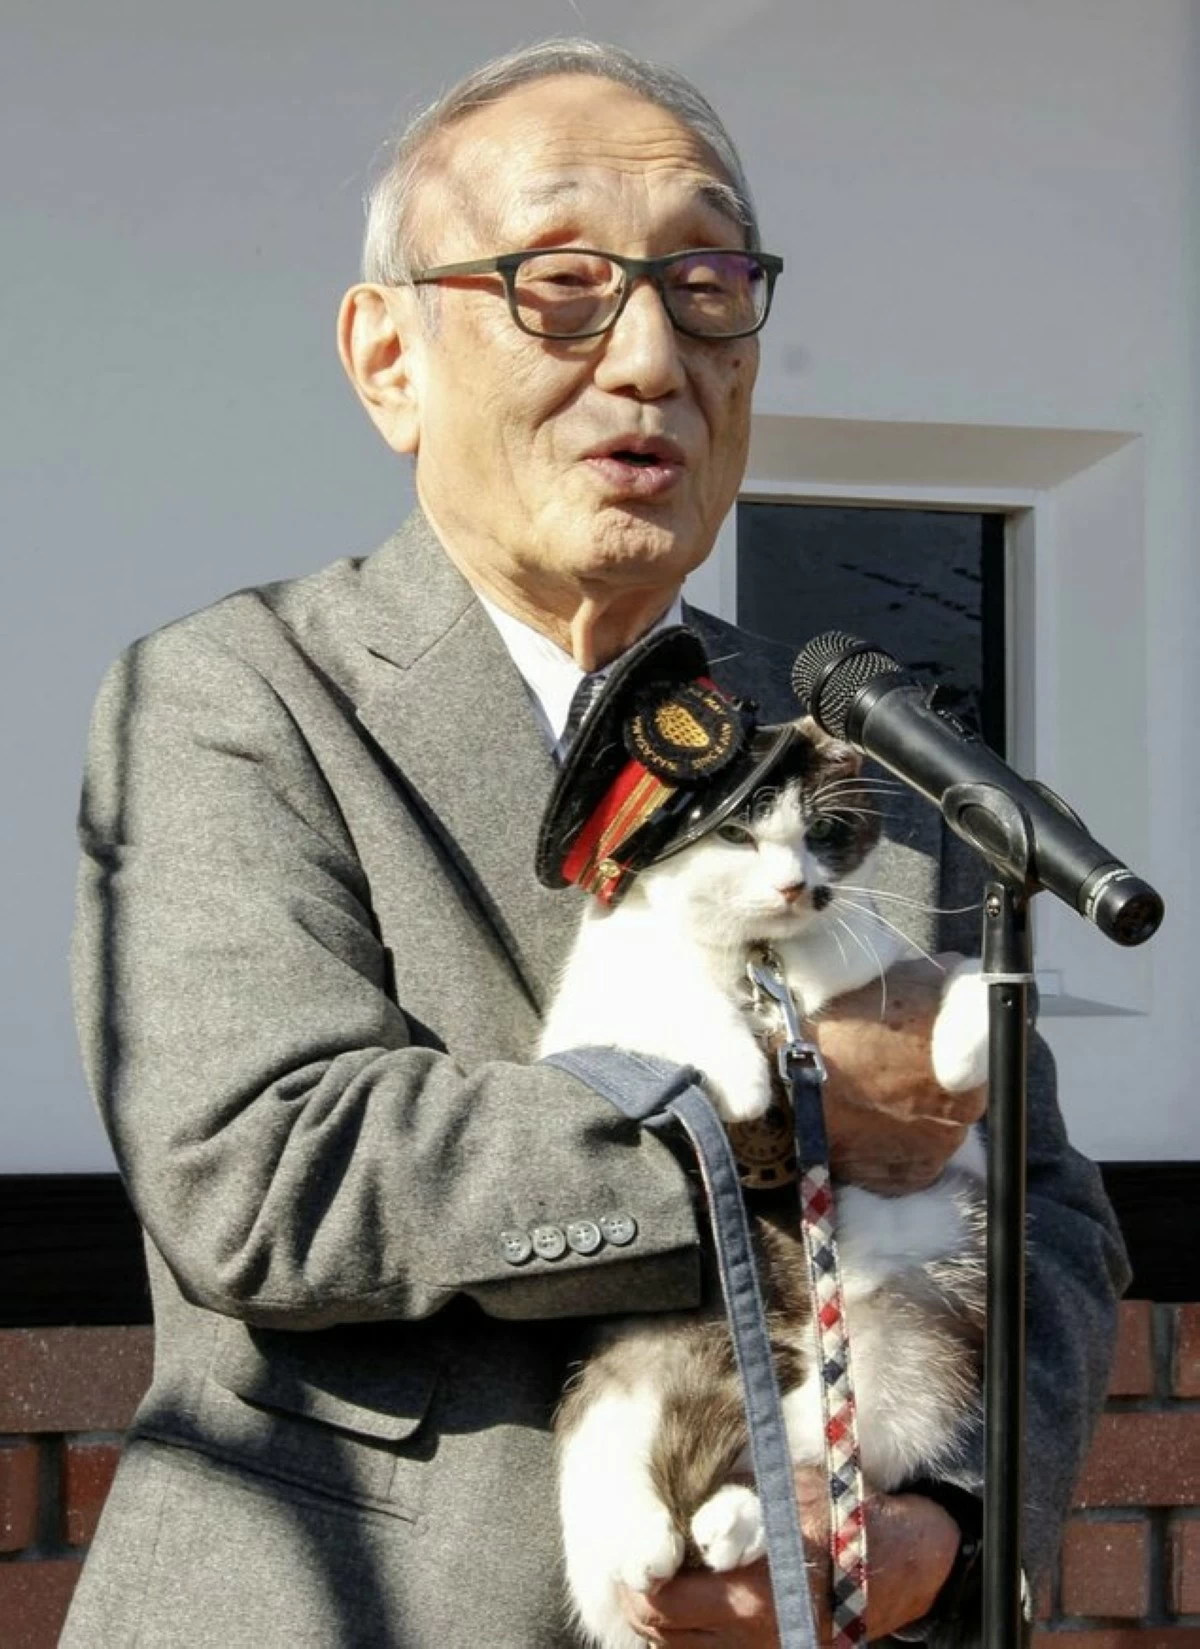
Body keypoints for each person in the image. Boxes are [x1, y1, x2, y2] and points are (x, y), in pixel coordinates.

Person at [65, 39, 1128, 1649]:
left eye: (708, 284)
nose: (650, 355)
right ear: (387, 359)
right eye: (562, 283)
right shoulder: (227, 698)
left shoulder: (855, 748)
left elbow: (1045, 1214)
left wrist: (944, 1517)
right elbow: (271, 1170)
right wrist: (788, 1129)